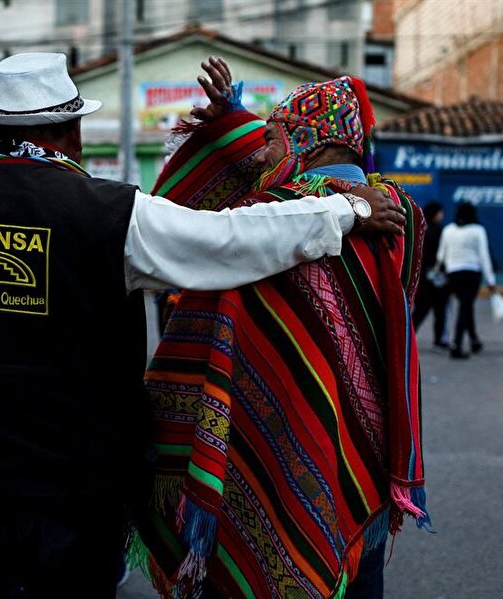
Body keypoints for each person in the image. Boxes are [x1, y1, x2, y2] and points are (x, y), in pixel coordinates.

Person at [0, 52, 406, 598]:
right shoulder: (111, 212)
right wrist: (344, 210)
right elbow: (228, 240)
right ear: (70, 131)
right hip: (75, 487)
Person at [132, 59, 429, 599]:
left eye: (271, 138)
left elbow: (199, 214)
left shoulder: (273, 209)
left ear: (307, 142)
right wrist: (235, 119)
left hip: (265, 436)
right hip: (364, 455)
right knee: (355, 578)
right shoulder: (401, 213)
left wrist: (227, 129)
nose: (261, 152)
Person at [436, 202, 497, 359]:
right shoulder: (478, 230)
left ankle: (474, 339)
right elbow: (484, 255)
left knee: (465, 305)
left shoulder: (448, 230)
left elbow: (440, 256)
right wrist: (490, 279)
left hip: (453, 273)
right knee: (465, 305)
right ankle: (457, 344)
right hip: (471, 273)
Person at [413, 202, 450, 350]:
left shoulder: (420, 229)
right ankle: (439, 339)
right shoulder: (441, 231)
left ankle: (409, 335)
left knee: (421, 309)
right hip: (438, 275)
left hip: (422, 275)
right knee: (440, 310)